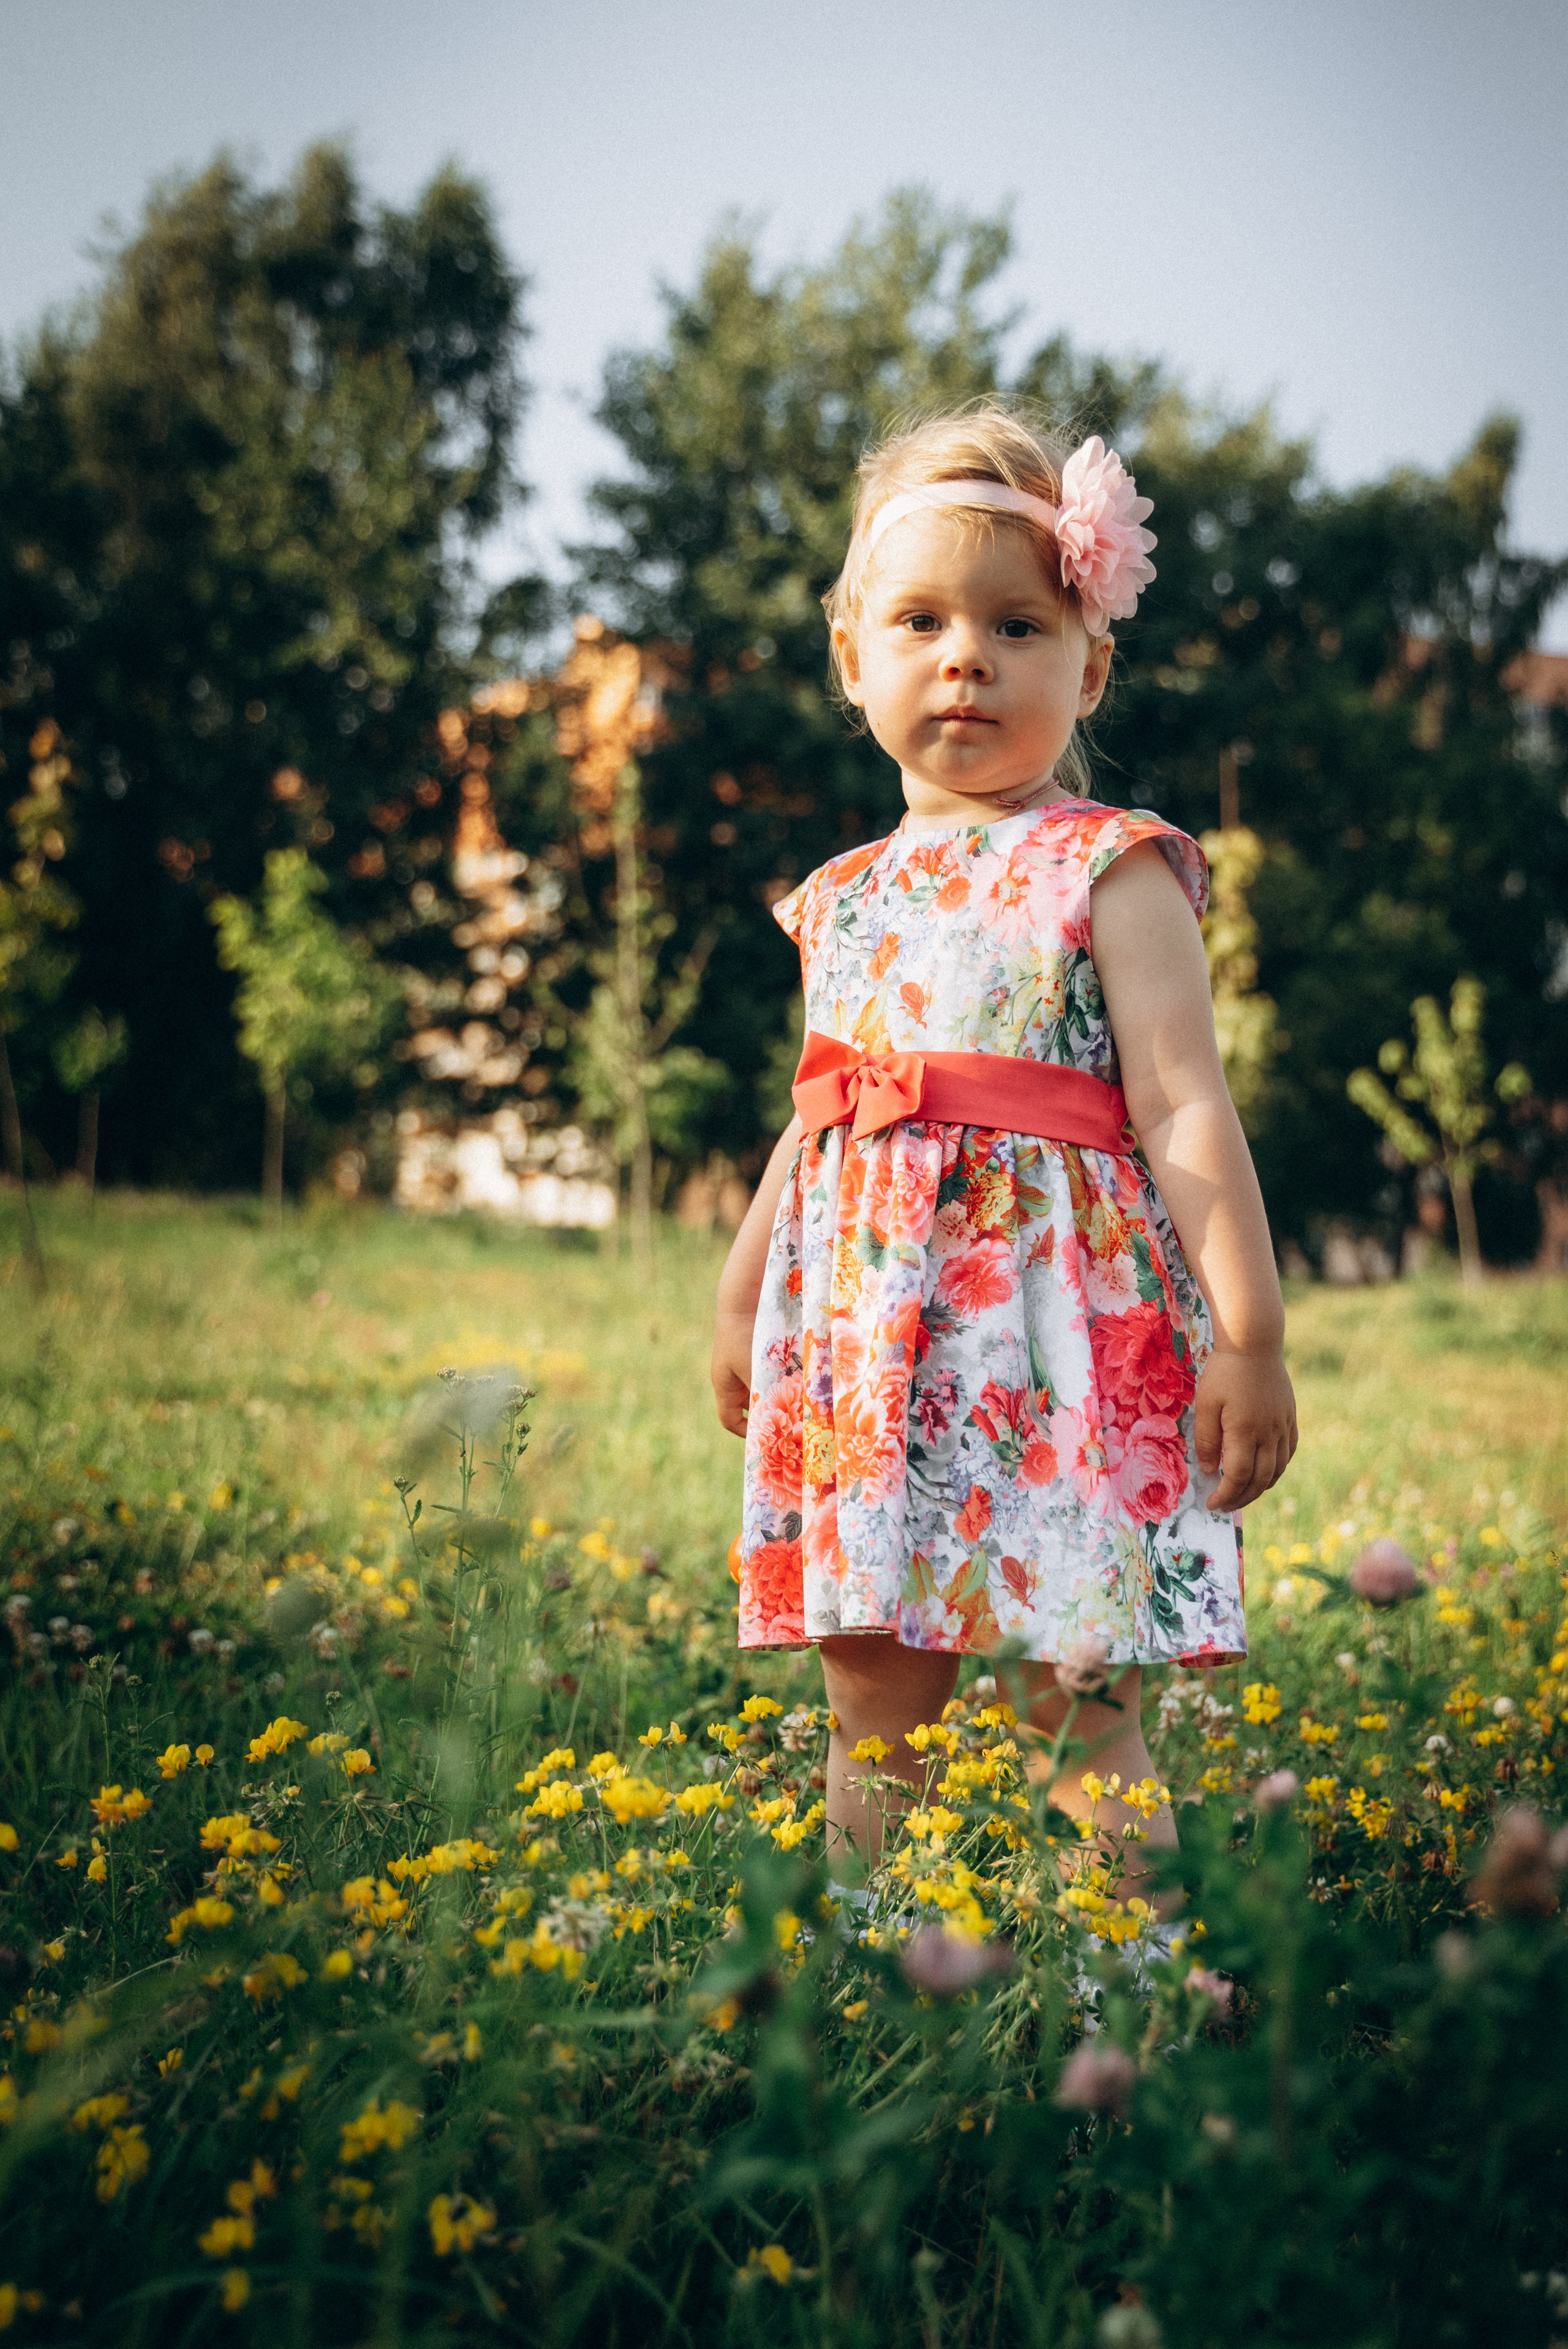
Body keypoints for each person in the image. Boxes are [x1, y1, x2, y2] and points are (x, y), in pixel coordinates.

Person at [711, 404, 1297, 1906]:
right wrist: (738, 1294)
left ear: (1086, 665)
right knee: (870, 1687)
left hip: (1050, 1355)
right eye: (919, 620)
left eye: (1015, 624)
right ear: (851, 658)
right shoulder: (840, 896)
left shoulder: (1107, 865)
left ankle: (1133, 1983)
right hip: (872, 1353)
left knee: (1072, 1693)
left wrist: (1248, 1335)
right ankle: (864, 1967)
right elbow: (821, 1106)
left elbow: (1182, 1106)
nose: (964, 657)